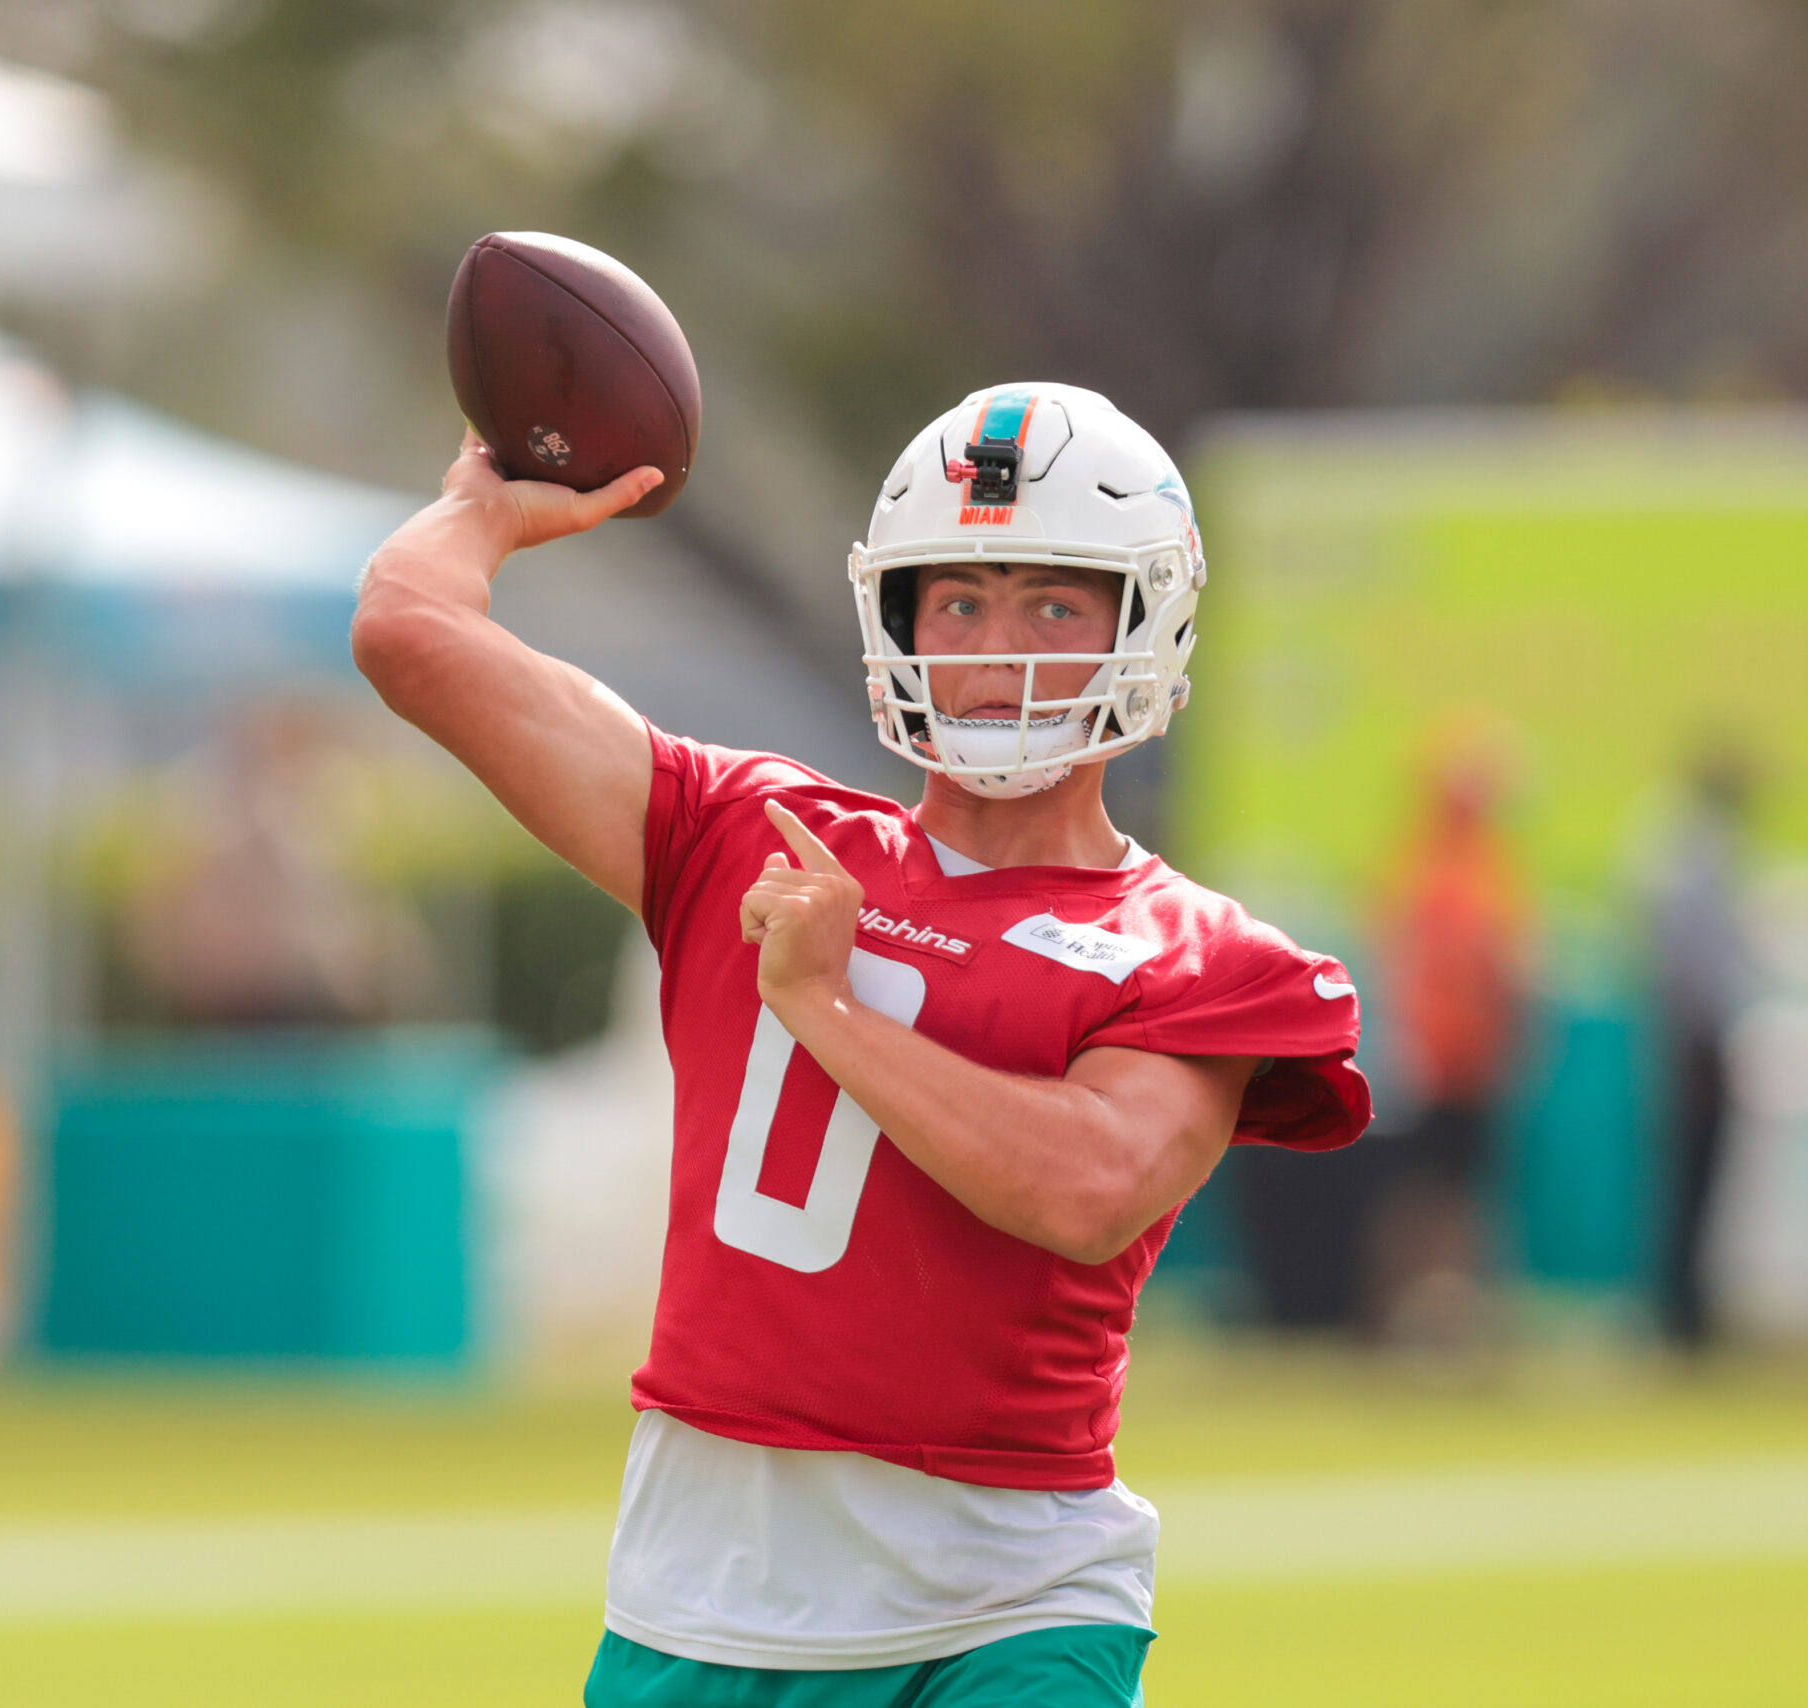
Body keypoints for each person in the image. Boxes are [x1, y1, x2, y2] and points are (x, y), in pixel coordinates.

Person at [352, 384, 1371, 1706]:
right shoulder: (744, 830)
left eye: (1052, 605)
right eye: (958, 602)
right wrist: (481, 510)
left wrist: (826, 1006)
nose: (995, 648)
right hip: (705, 1588)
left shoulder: (1193, 950)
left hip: (1011, 1597)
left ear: (1142, 620)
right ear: (897, 620)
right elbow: (410, 629)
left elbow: (1089, 1187)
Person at [1370, 736, 1525, 1345]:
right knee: (1445, 1196)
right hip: (1452, 1059)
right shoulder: (1459, 873)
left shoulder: (1428, 865)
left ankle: (1432, 1315)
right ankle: (1433, 1318)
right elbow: (1490, 967)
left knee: (1440, 1192)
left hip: (1447, 1055)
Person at [1651, 743, 1754, 1351]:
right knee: (1693, 1178)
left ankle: (1687, 1306)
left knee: (1694, 1180)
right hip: (1695, 1039)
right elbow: (1694, 967)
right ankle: (1682, 1312)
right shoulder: (1700, 858)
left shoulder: (1686, 852)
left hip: (1693, 1036)